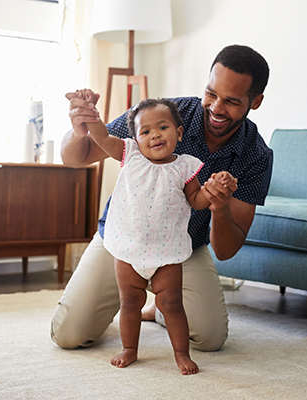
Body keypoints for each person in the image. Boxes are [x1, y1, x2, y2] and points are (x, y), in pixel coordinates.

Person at [51, 44, 273, 359]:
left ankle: (159, 309)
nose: (216, 107)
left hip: (180, 249)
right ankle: (138, 301)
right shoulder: (162, 115)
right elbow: (78, 157)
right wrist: (78, 129)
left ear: (256, 101)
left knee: (210, 338)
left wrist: (219, 207)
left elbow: (225, 250)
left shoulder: (256, 156)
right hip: (123, 242)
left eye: (232, 101)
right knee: (68, 334)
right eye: (211, 94)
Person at [65, 92, 237, 374]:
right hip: (128, 249)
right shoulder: (129, 153)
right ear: (135, 138)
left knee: (172, 303)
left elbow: (196, 201)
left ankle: (181, 353)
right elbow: (101, 137)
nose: (155, 135)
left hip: (167, 252)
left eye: (163, 127)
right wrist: (91, 115)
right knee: (129, 303)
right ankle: (130, 349)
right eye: (145, 131)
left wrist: (215, 190)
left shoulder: (186, 167)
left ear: (179, 133)